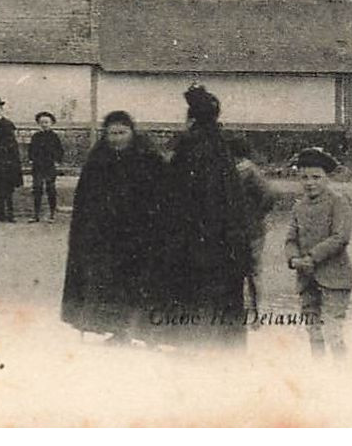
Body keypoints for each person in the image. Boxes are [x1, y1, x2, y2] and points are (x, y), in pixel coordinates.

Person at [61, 111, 166, 341]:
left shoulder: (148, 159)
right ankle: (118, 331)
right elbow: (85, 200)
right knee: (110, 286)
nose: (117, 138)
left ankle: (142, 331)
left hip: (139, 237)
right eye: (112, 133)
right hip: (106, 238)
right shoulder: (97, 161)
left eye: (122, 132)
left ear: (132, 132)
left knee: (137, 284)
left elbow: (161, 197)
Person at [161, 83, 252, 346]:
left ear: (190, 119)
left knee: (194, 296)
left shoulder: (189, 146)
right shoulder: (221, 145)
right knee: (223, 297)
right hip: (225, 238)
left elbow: (176, 195)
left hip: (195, 238)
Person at [284, 146, 352, 358]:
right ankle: (318, 374)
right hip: (306, 279)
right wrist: (294, 257)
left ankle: (342, 375)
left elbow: (340, 237)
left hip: (335, 278)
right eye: (304, 177)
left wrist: (312, 257)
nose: (310, 182)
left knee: (333, 331)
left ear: (327, 177)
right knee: (312, 329)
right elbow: (290, 238)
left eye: (316, 177)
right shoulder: (298, 207)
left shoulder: (338, 202)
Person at [229, 134, 273, 323]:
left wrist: (256, 214)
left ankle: (256, 310)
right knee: (251, 270)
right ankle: (253, 310)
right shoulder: (244, 170)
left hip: (251, 229)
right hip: (248, 227)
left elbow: (268, 196)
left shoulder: (246, 171)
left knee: (252, 270)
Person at [28, 111, 66, 222]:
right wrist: (31, 159)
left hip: (49, 166)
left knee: (51, 189)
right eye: (42, 122)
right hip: (37, 167)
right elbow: (31, 150)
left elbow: (60, 151)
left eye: (46, 122)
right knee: (37, 189)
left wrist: (57, 161)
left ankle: (52, 214)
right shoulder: (35, 136)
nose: (44, 124)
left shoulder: (54, 137)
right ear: (39, 123)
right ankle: (36, 214)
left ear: (51, 123)